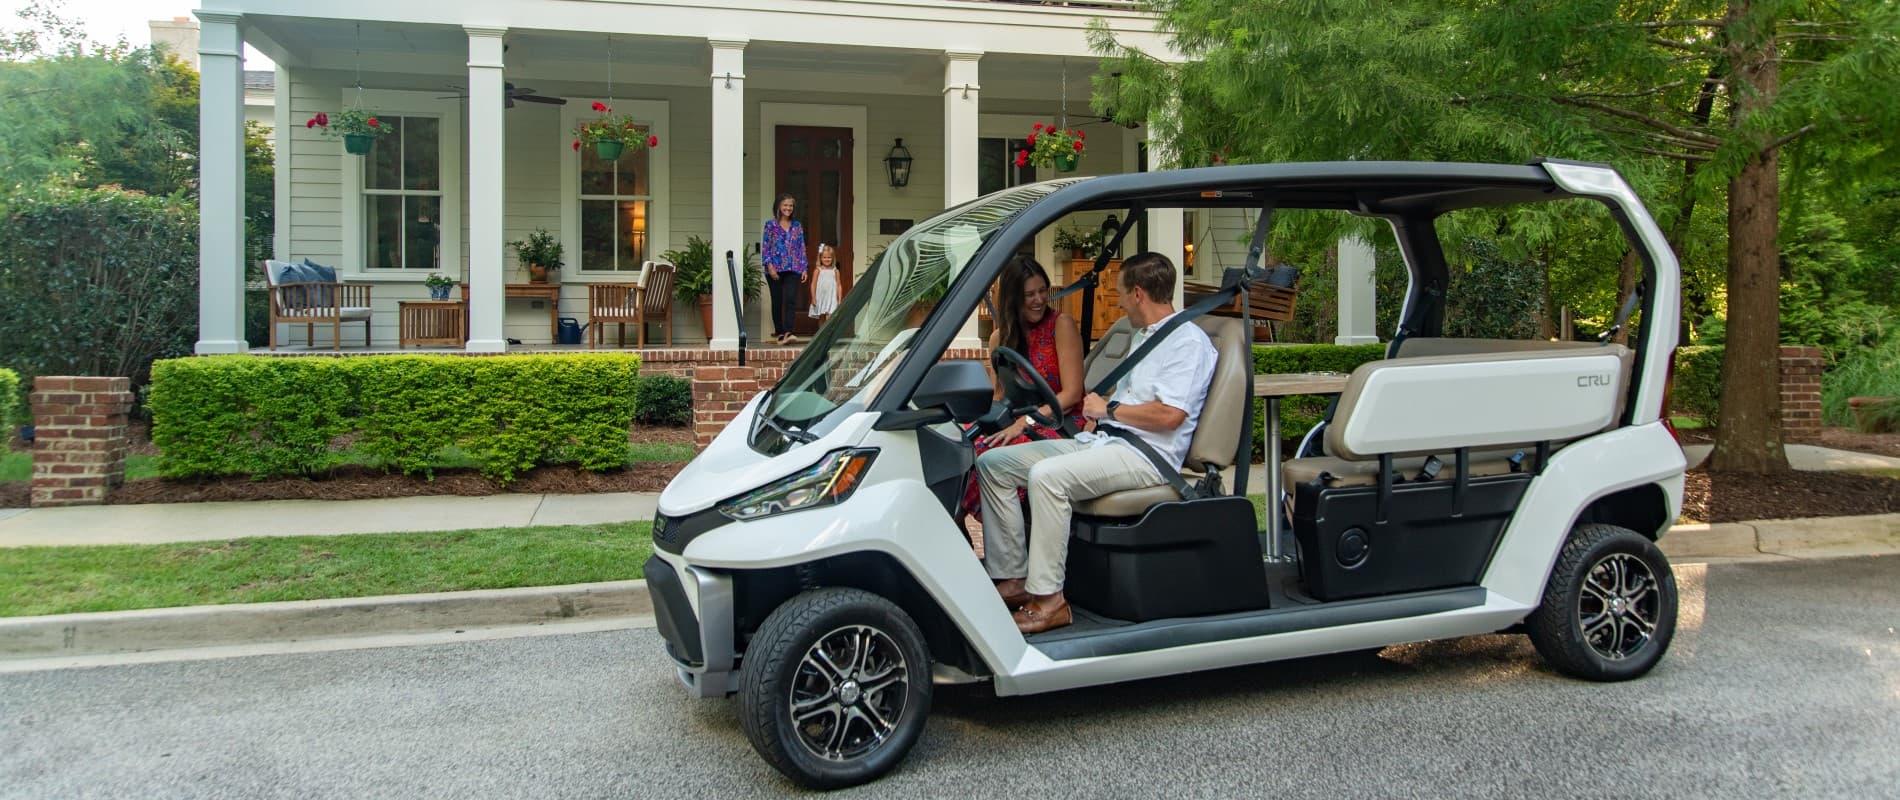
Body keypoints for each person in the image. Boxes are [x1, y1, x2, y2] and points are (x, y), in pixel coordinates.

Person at [975, 252, 1216, 634]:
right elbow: (1131, 399)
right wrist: (1099, 414)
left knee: (1047, 477)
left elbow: (1170, 416)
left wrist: (1110, 409)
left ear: (1138, 294)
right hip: (1107, 442)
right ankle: (1014, 578)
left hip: (1146, 457)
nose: (1117, 302)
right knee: (994, 465)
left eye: (1121, 294)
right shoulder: (1145, 336)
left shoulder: (1186, 342)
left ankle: (1050, 599)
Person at [960, 254, 1086, 525]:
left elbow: (1072, 393)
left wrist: (1023, 422)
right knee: (959, 449)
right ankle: (961, 529)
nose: (1039, 300)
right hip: (1019, 422)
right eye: (1030, 294)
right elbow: (999, 396)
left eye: (1043, 291)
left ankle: (1015, 538)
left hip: (1062, 422)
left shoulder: (1060, 325)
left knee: (988, 454)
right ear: (1013, 298)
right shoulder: (999, 338)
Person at [760, 193, 809, 345]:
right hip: (774, 268)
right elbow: (766, 247)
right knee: (777, 300)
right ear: (779, 207)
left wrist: (804, 268)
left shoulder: (797, 226)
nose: (788, 208)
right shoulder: (770, 225)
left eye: (790, 206)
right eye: (785, 205)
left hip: (793, 267)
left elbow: (801, 247)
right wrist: (770, 266)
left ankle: (789, 331)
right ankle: (780, 333)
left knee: (791, 299)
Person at [808, 244, 842, 324]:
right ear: (820, 258)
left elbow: (839, 285)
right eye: (824, 257)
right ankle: (821, 335)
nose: (827, 259)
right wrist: (813, 297)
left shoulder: (835, 271)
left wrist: (839, 299)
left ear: (833, 258)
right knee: (821, 318)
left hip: (831, 297)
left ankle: (828, 335)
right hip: (821, 297)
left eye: (829, 257)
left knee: (829, 317)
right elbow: (813, 284)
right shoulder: (818, 270)